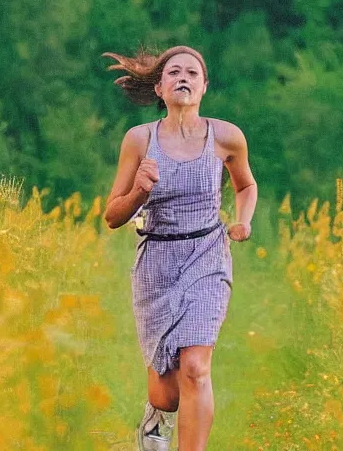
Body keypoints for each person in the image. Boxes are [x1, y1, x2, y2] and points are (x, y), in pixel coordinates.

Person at [102, 45, 258, 451]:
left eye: (192, 72)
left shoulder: (226, 136)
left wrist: (243, 220)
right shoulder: (139, 140)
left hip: (207, 254)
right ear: (159, 86)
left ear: (205, 86)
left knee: (195, 369)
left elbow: (245, 185)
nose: (183, 78)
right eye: (173, 72)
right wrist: (140, 190)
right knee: (167, 394)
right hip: (156, 263)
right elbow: (113, 215)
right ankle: (155, 419)